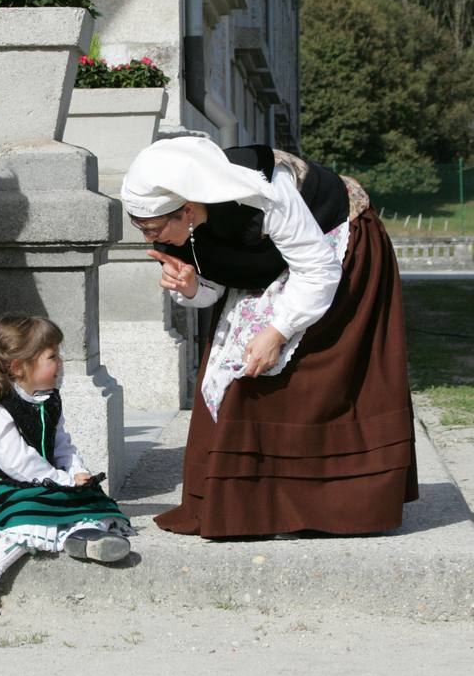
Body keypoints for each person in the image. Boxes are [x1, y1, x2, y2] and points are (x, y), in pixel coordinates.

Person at [120, 138, 418, 537]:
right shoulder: (177, 228)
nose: (148, 239)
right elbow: (222, 283)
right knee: (235, 363)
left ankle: (331, 503)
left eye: (153, 229)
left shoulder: (264, 193)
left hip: (333, 245)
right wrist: (191, 286)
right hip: (274, 261)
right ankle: (252, 505)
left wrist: (277, 332)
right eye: (141, 229)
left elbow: (318, 271)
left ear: (187, 210)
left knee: (294, 368)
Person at [0, 314, 132, 618]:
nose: (60, 362)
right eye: (52, 356)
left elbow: (63, 446)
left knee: (95, 502)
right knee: (31, 520)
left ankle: (83, 537)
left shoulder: (49, 400)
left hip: (42, 483)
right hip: (0, 487)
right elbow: (18, 463)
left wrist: (75, 472)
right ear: (19, 367)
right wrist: (62, 481)